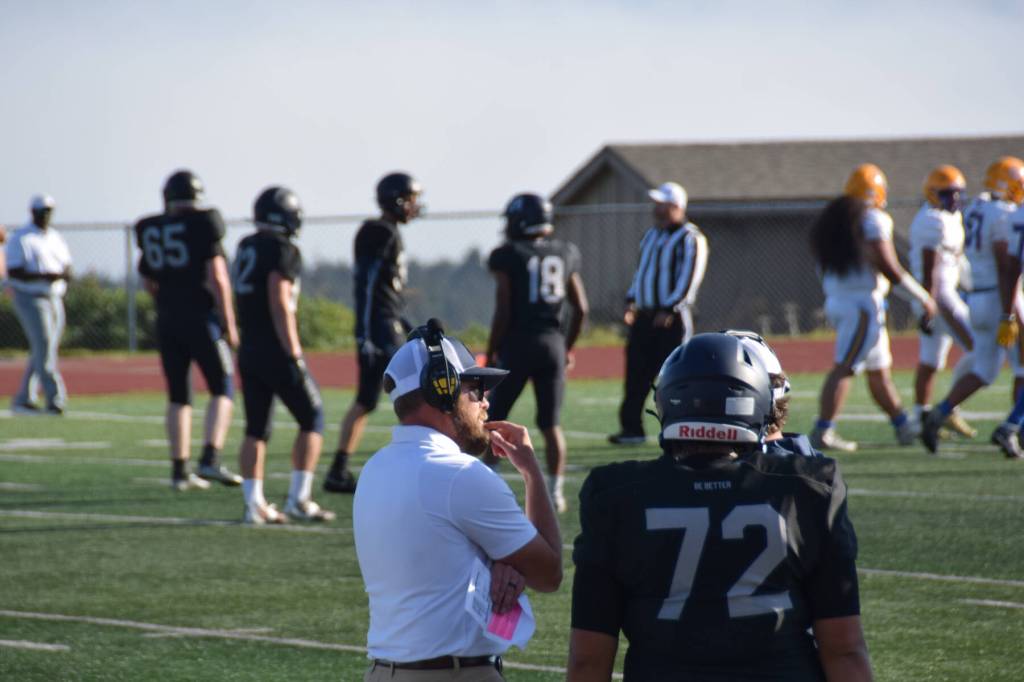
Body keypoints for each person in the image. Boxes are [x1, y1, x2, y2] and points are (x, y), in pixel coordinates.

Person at [568, 333, 872, 681]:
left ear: (667, 402)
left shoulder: (615, 494)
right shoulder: (808, 487)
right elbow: (844, 648)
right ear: (758, 404)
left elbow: (588, 660)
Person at [354, 319, 563, 680]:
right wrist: (531, 472)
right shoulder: (460, 474)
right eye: (476, 388)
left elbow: (437, 555)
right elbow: (548, 572)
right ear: (442, 389)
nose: (486, 402)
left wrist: (496, 561)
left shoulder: (374, 469)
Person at [808, 164, 936, 452]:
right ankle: (823, 430)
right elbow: (889, 266)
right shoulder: (872, 219)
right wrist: (923, 297)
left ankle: (903, 426)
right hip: (861, 305)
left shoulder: (836, 220)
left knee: (879, 370)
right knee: (845, 367)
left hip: (844, 300)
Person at [134, 170, 242, 491]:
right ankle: (210, 458)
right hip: (200, 317)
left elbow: (149, 280)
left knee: (179, 395)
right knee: (223, 387)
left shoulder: (150, 228)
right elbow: (218, 278)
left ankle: (180, 472)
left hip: (166, 318)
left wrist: (169, 300)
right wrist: (230, 323)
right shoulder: (203, 224)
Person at [233, 186, 334, 524]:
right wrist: (293, 350)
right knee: (313, 417)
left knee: (256, 428)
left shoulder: (246, 246)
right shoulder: (282, 249)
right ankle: (299, 498)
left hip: (249, 346)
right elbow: (279, 300)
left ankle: (253, 504)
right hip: (275, 347)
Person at [484, 192, 589, 513]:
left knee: (494, 418)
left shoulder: (508, 254)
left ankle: (487, 481)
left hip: (518, 343)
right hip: (553, 344)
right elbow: (581, 308)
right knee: (551, 424)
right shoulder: (565, 252)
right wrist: (567, 346)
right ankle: (556, 492)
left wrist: (491, 349)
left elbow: (503, 307)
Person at [324, 172, 423, 494]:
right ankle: (416, 465)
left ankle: (339, 469)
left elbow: (382, 290)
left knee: (370, 400)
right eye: (410, 199)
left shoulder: (388, 231)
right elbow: (366, 286)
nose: (414, 206)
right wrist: (364, 333)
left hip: (385, 323)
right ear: (396, 199)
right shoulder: (379, 232)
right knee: (416, 394)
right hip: (379, 328)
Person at [921, 156, 1024, 456]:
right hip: (1000, 296)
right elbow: (1007, 265)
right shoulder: (1003, 214)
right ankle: (1012, 429)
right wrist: (1008, 312)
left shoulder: (977, 207)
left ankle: (939, 414)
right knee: (1021, 368)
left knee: (984, 369)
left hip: (977, 296)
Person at [609, 181, 708, 445]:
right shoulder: (651, 235)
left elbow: (690, 278)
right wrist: (632, 299)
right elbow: (642, 273)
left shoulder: (691, 237)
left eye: (662, 204)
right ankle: (631, 428)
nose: (657, 209)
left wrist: (670, 308)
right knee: (635, 374)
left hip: (672, 319)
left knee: (677, 374)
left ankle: (684, 426)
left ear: (677, 207)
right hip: (645, 315)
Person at [908, 165, 975, 437]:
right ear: (933, 194)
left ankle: (922, 416)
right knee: (979, 350)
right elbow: (930, 267)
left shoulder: (950, 217)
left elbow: (957, 260)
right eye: (948, 194)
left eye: (957, 193)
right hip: (938, 295)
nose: (954, 199)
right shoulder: (931, 220)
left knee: (931, 360)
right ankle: (948, 408)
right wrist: (928, 303)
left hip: (942, 293)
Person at [5, 195, 72, 415]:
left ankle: (24, 398)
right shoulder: (21, 238)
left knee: (45, 349)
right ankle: (56, 398)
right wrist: (43, 276)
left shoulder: (55, 237)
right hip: (30, 297)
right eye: (42, 210)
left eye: (49, 210)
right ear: (33, 212)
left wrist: (60, 275)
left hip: (54, 296)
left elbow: (67, 267)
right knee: (43, 345)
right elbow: (15, 271)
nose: (46, 215)